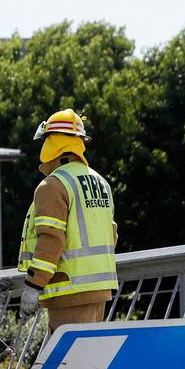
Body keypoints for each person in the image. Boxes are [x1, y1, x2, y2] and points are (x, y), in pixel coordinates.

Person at [16, 109, 118, 329]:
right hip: (99, 290)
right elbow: (111, 235)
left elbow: (51, 241)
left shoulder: (53, 185)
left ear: (52, 142)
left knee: (67, 363)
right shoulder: (101, 182)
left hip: (68, 290)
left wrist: (34, 285)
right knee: (90, 360)